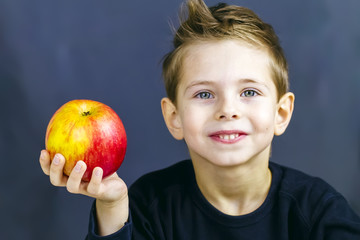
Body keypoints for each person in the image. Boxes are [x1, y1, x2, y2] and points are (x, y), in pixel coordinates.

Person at [39, 0, 360, 239]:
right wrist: (111, 207)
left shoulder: (319, 212)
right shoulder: (147, 205)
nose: (227, 109)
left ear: (281, 113)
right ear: (174, 117)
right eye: (204, 94)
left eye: (249, 92)